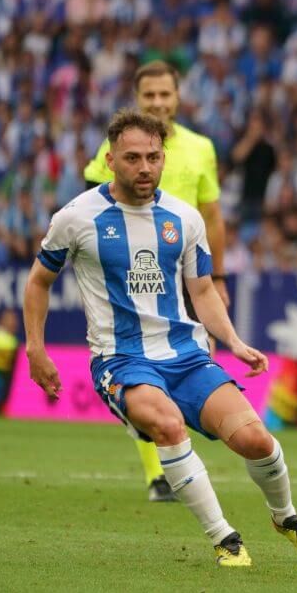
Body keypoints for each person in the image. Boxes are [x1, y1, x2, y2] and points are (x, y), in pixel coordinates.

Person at [23, 110, 297, 567]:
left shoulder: (183, 218)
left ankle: (287, 518)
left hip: (185, 354)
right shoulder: (76, 217)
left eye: (153, 157)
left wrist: (235, 342)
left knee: (256, 440)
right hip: (121, 360)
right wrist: (36, 348)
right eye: (133, 158)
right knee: (166, 425)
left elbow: (201, 289)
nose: (144, 167)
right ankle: (225, 538)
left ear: (164, 158)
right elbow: (39, 281)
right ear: (109, 161)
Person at [84, 61, 228, 502]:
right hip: (136, 271)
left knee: (194, 356)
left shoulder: (202, 148)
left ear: (178, 96)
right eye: (150, 96)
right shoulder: (116, 148)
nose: (159, 102)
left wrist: (218, 275)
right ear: (137, 97)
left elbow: (212, 215)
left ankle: (177, 444)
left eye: (165, 94)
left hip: (188, 267)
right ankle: (160, 474)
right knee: (141, 367)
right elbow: (91, 202)